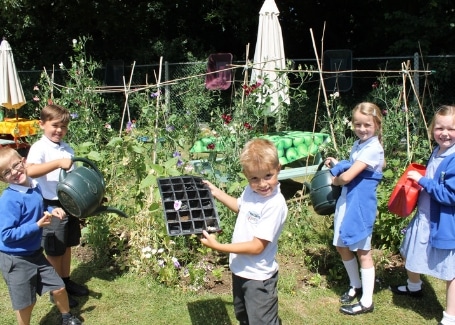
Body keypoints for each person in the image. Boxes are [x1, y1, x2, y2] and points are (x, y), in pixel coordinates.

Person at [200, 138, 288, 325]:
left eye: (268, 176)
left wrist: (219, 246)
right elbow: (241, 206)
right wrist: (216, 192)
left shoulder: (274, 205)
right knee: (244, 317)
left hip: (259, 278)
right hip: (241, 270)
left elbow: (257, 247)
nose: (262, 184)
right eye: (254, 178)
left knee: (262, 322)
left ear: (278, 169)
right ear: (246, 176)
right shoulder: (251, 191)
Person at [0, 147, 82, 325]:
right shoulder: (9, 200)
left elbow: (40, 206)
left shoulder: (33, 186)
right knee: (26, 303)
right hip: (16, 258)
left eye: (16, 165)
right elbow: (6, 235)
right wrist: (36, 226)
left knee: (59, 286)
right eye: (7, 172)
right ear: (2, 179)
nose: (14, 172)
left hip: (35, 253)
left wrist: (52, 209)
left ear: (23, 161)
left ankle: (67, 318)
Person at [390, 105, 455, 325]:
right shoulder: (436, 151)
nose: (444, 133)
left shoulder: (454, 158)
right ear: (432, 129)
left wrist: (423, 181)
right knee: (411, 251)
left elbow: (449, 195)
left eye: (451, 129)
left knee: (450, 270)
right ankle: (414, 287)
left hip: (444, 222)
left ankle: (450, 316)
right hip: (424, 217)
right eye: (439, 128)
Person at [26, 104, 89, 308]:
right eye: (54, 125)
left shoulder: (66, 148)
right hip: (50, 204)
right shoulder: (39, 148)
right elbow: (30, 171)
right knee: (54, 250)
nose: (59, 130)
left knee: (67, 244)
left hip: (67, 203)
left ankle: (66, 281)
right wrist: (57, 163)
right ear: (42, 124)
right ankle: (56, 290)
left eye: (63, 126)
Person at [325, 102, 384, 315]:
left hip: (359, 205)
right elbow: (353, 165)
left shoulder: (373, 148)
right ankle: (355, 284)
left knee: (363, 251)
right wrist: (338, 162)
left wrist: (335, 180)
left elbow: (349, 176)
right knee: (341, 245)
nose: (362, 129)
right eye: (357, 124)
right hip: (347, 201)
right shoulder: (360, 144)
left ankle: (367, 301)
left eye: (367, 124)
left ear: (376, 125)